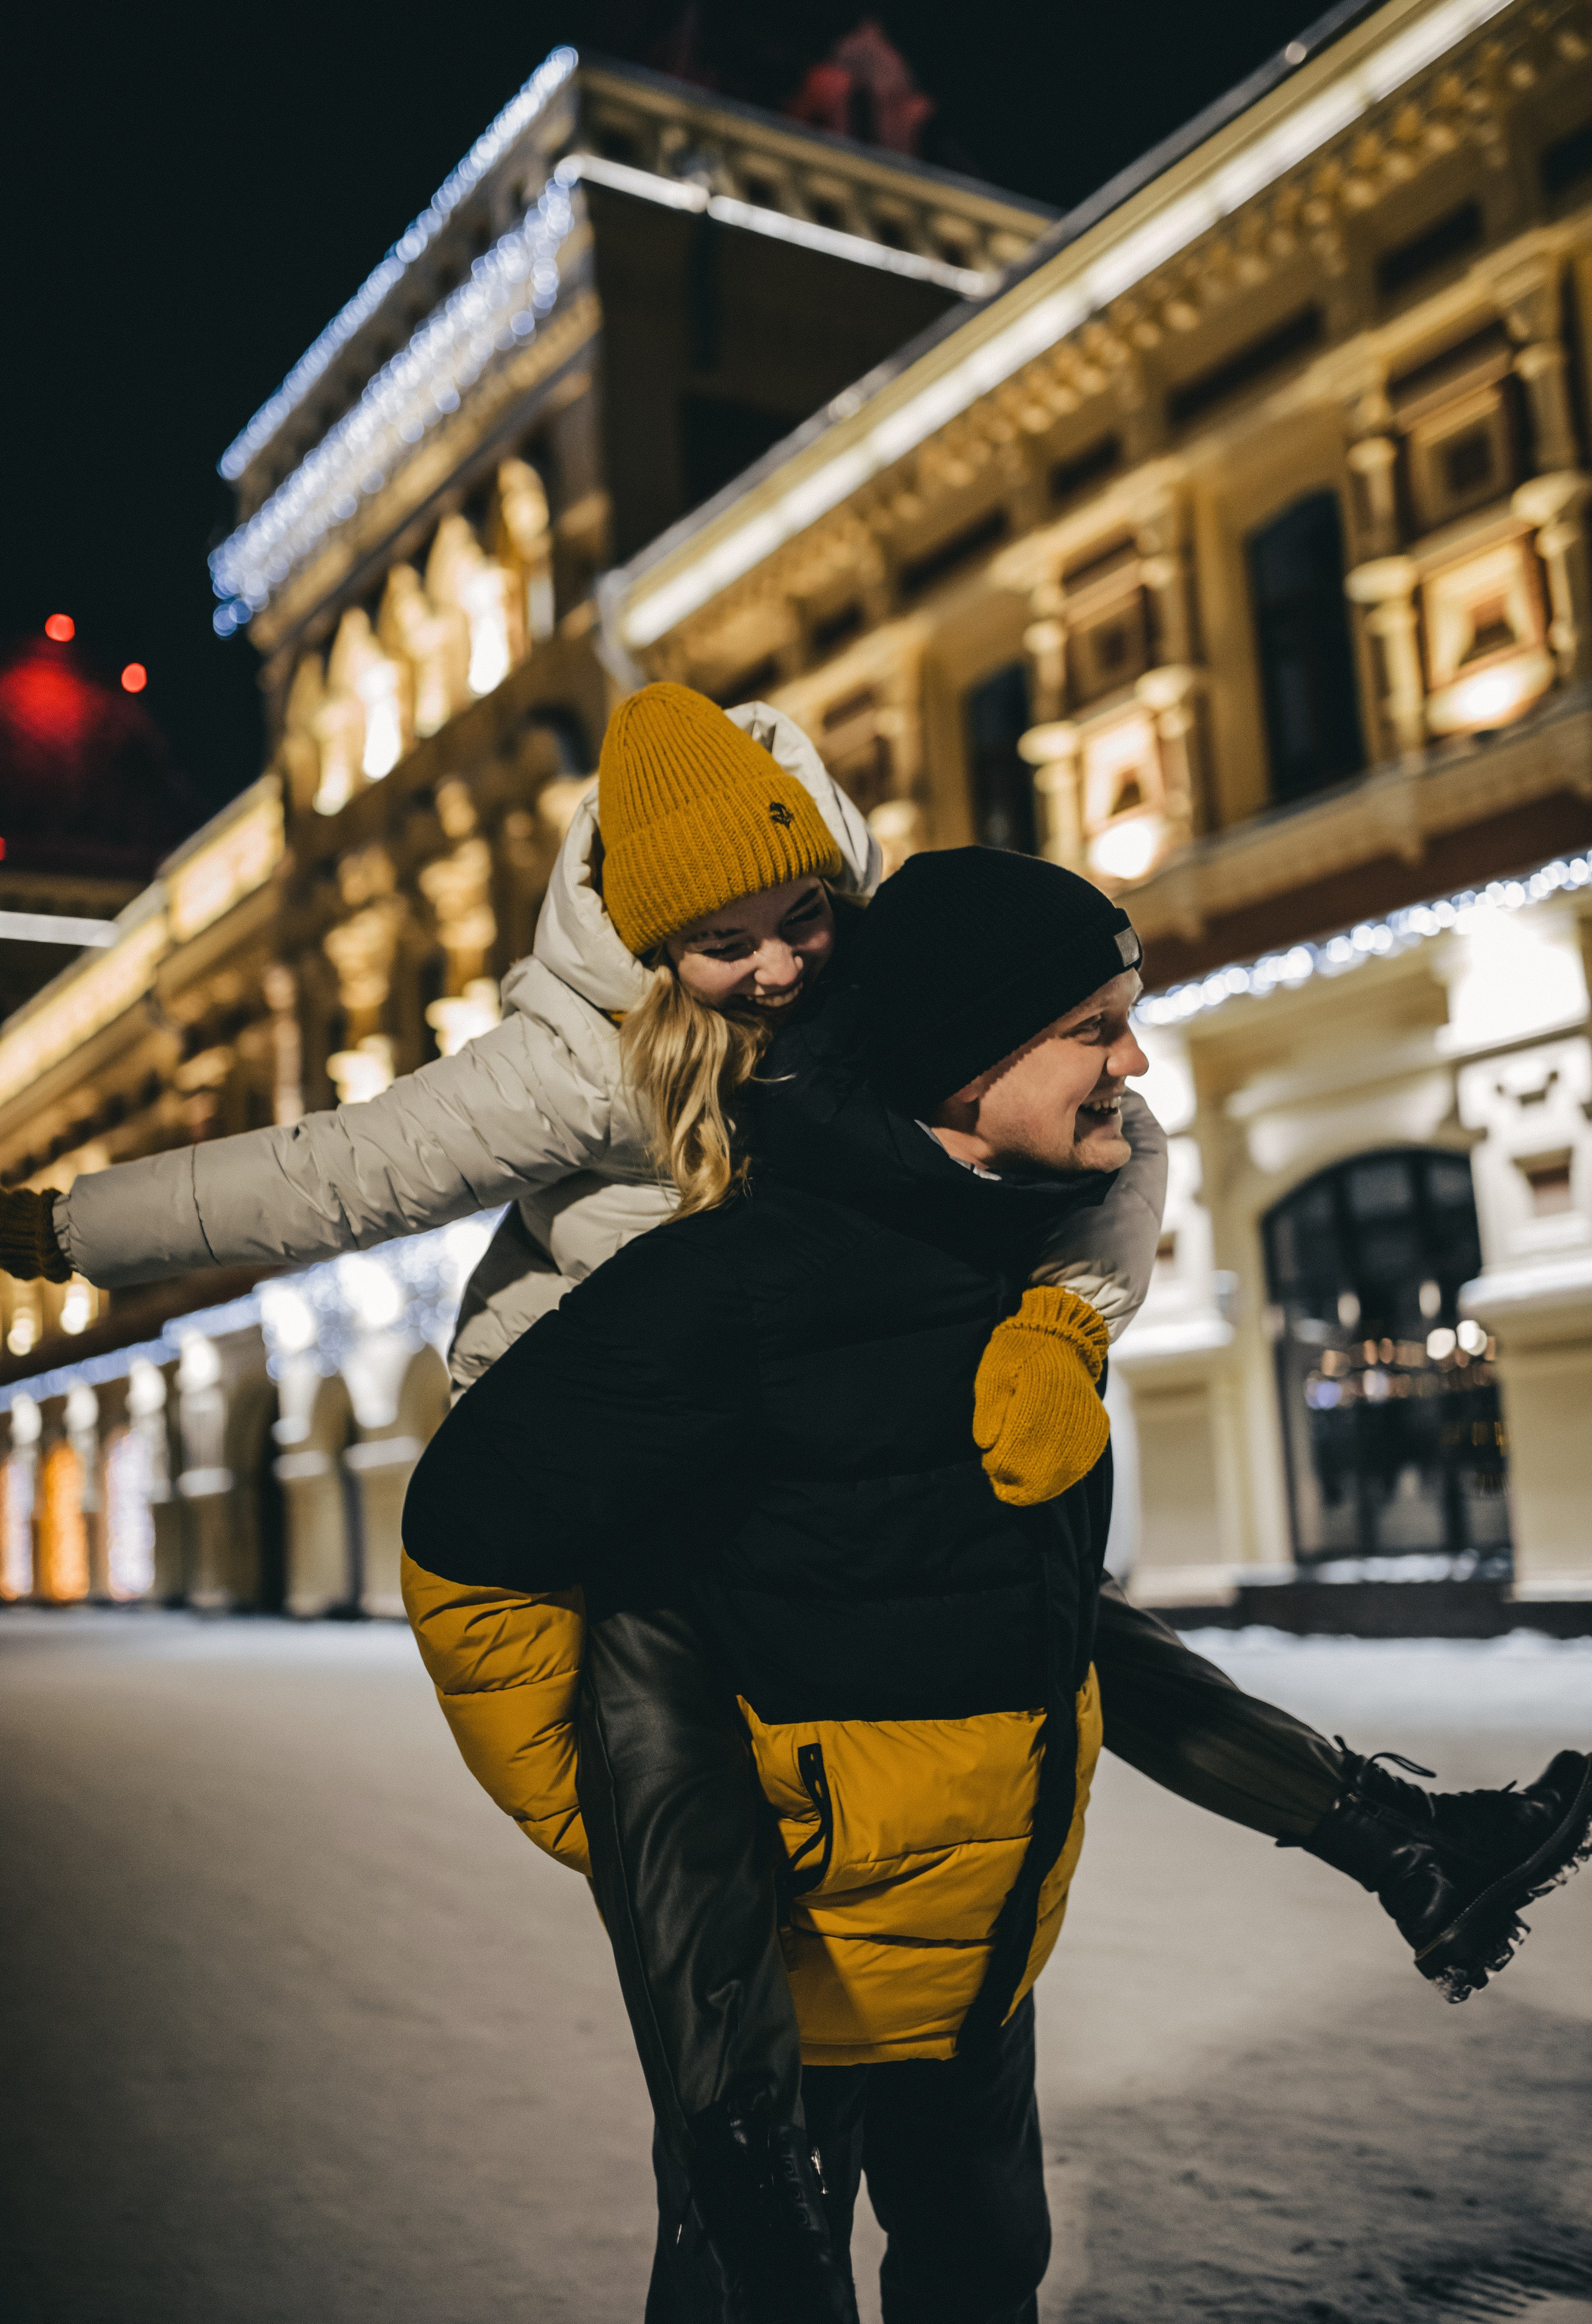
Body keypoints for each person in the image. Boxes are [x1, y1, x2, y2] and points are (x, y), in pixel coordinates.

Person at [403, 841, 1592, 2323]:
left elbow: (1024, 1607)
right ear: (967, 1061)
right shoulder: (727, 1286)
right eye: (1094, 1027)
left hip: (980, 1949)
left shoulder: (1009, 1257)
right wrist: (578, 1801)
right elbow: (466, 1542)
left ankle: (1401, 1840)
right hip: (794, 1969)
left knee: (979, 2277)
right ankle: (1402, 1839)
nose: (1132, 1058)